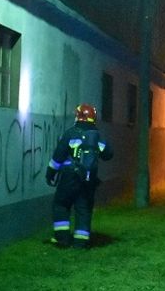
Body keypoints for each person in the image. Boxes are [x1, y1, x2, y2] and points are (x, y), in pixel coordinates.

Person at [46, 103, 114, 249]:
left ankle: (62, 239)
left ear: (78, 116)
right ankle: (80, 242)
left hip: (69, 177)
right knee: (84, 208)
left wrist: (50, 173)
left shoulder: (70, 133)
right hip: (88, 179)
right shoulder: (97, 137)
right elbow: (109, 154)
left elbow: (58, 156)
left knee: (61, 204)